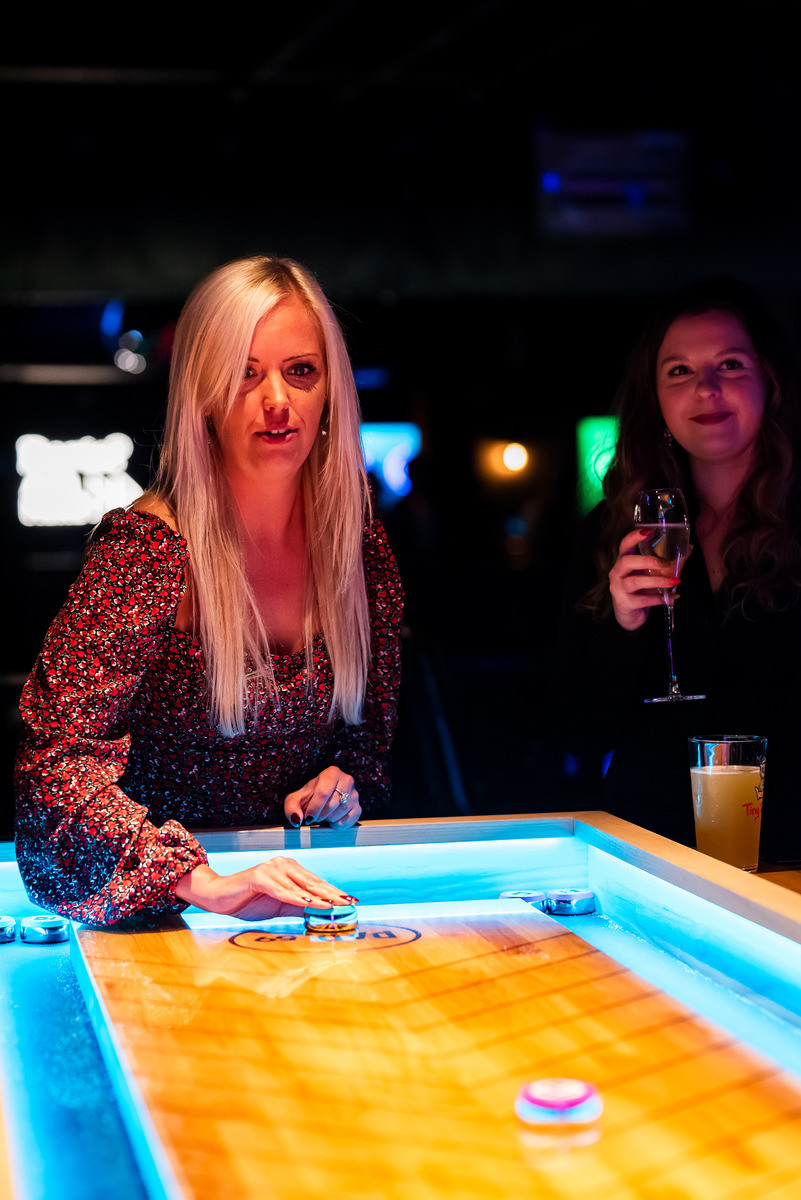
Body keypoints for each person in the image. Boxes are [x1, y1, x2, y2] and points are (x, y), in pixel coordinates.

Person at [14, 255, 404, 925]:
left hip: (300, 897)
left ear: (331, 390)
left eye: (299, 371)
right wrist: (200, 881)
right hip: (162, 913)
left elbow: (368, 740)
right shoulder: (147, 552)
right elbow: (54, 765)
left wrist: (342, 781)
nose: (276, 400)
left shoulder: (357, 543)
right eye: (243, 373)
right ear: (201, 394)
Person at [557, 277, 801, 858]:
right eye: (680, 372)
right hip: (650, 842)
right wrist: (624, 625)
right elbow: (579, 732)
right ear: (659, 401)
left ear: (769, 381)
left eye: (730, 365)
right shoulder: (612, 529)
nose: (707, 388)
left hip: (789, 842)